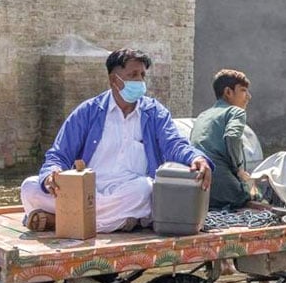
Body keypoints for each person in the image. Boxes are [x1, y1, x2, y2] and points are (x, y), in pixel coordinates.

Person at [20, 48, 213, 233]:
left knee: (146, 189)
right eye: (133, 75)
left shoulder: (155, 113)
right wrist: (51, 175)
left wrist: (195, 158)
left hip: (128, 191)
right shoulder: (88, 111)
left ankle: (62, 221)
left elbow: (174, 144)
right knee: (30, 187)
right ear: (114, 79)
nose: (140, 81)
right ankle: (109, 222)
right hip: (87, 190)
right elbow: (59, 154)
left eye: (142, 75)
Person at [190, 69, 253, 210]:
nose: (249, 96)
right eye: (243, 90)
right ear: (228, 92)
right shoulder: (236, 112)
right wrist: (239, 170)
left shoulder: (203, 115)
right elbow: (232, 136)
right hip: (221, 184)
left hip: (196, 186)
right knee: (248, 195)